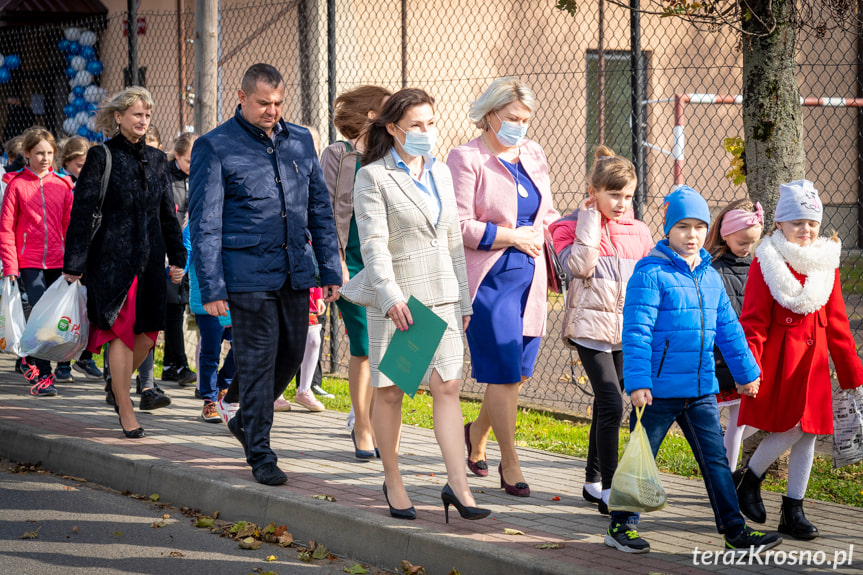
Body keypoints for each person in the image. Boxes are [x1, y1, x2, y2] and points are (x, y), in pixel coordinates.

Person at [340, 88, 490, 523]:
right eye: (416, 126)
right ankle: (393, 479)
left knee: (447, 388)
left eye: (431, 123)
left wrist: (462, 297)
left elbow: (452, 243)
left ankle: (459, 486)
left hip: (441, 296)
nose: (427, 133)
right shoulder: (373, 176)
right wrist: (387, 295)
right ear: (393, 129)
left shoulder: (441, 173)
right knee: (390, 393)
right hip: (401, 302)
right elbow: (373, 245)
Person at [189, 63, 341, 486]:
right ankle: (261, 452)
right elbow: (205, 222)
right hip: (246, 274)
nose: (271, 110)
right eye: (262, 103)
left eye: (277, 102)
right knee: (257, 360)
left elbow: (319, 210)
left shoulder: (301, 141)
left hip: (295, 270)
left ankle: (244, 419)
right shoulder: (215, 146)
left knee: (290, 355)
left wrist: (329, 267)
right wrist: (213, 284)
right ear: (241, 97)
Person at [609, 186, 782, 554]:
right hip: (658, 390)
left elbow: (730, 330)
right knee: (642, 457)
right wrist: (638, 381)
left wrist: (747, 372)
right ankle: (621, 526)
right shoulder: (651, 272)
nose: (692, 235)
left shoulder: (709, 274)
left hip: (701, 387)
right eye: (683, 227)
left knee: (716, 461)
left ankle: (735, 530)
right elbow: (636, 330)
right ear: (668, 230)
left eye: (699, 227)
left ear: (709, 230)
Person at [448, 77, 559, 496]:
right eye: (513, 118)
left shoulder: (532, 153)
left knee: (517, 376)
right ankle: (509, 463)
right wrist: (513, 236)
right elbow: (458, 225)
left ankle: (475, 435)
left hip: (530, 277)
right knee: (504, 370)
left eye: (526, 119)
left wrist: (558, 228)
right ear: (490, 114)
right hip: (489, 277)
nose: (520, 126)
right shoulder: (466, 158)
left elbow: (545, 209)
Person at [734, 181, 863, 540]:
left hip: (816, 364)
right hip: (782, 363)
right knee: (793, 427)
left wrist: (851, 369)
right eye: (797, 223)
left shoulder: (827, 262)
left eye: (812, 223)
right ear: (779, 224)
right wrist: (749, 366)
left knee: (810, 433)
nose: (806, 230)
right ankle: (750, 477)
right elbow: (754, 321)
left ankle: (793, 509)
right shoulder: (767, 260)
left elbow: (837, 321)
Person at [63, 86, 185, 438]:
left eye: (147, 115)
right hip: (112, 261)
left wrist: (178, 254)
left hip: (151, 260)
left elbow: (167, 214)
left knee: (147, 334)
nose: (143, 121)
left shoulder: (158, 159)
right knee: (121, 334)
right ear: (118, 117)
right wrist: (75, 262)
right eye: (136, 115)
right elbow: (83, 210)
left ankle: (115, 386)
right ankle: (125, 406)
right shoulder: (101, 155)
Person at [548, 146, 652, 515]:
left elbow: (649, 278)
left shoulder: (639, 231)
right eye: (614, 195)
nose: (622, 203)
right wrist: (590, 220)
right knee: (611, 400)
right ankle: (610, 487)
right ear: (592, 191)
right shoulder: (567, 227)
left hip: (627, 331)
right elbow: (579, 266)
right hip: (590, 328)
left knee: (606, 403)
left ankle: (592, 481)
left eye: (628, 196)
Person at [320, 85, 391, 458]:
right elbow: (326, 212)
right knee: (364, 346)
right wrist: (335, 265)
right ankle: (361, 426)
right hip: (352, 263)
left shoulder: (392, 156)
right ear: (370, 114)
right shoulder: (339, 154)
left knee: (390, 346)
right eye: (387, 109)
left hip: (388, 262)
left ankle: (377, 419)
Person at [0, 128, 74, 396]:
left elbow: (70, 226)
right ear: (27, 154)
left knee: (56, 319)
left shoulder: (62, 186)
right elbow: (6, 228)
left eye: (50, 153)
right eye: (39, 153)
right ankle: (44, 375)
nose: (45, 158)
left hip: (58, 261)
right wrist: (10, 266)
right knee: (42, 315)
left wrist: (74, 263)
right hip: (29, 261)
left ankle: (42, 361)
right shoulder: (16, 186)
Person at [704, 199, 764, 470]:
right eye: (742, 242)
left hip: (742, 358)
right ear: (725, 234)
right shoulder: (711, 269)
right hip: (716, 359)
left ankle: (725, 475)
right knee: (713, 422)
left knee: (741, 423)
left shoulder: (757, 268)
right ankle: (720, 475)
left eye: (752, 243)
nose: (747, 248)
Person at [55, 136, 104, 381]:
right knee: (67, 312)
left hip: (91, 255)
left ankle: (85, 357)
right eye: (79, 166)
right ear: (67, 162)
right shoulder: (62, 184)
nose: (84, 171)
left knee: (89, 310)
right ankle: (62, 364)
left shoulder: (95, 184)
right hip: (68, 256)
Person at [184, 223, 235, 423]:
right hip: (208, 298)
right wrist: (179, 268)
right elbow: (186, 247)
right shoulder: (199, 220)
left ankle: (223, 384)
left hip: (236, 296)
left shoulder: (237, 214)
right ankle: (210, 399)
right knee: (211, 351)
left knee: (241, 347)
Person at [161, 133, 197, 386]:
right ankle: (178, 363)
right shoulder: (165, 176)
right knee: (173, 307)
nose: (191, 167)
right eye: (187, 161)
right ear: (176, 155)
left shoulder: (200, 177)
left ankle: (172, 364)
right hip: (170, 250)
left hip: (192, 249)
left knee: (181, 305)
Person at [291, 287, 326, 412]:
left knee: (313, 339)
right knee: (281, 338)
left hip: (306, 291)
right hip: (277, 287)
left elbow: (313, 267)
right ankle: (276, 393)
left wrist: (318, 295)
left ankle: (304, 390)